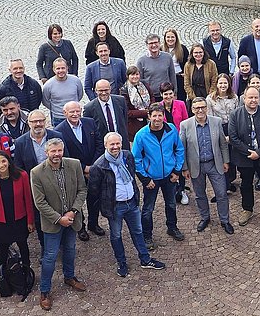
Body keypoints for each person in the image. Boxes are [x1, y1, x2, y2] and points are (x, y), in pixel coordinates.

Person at [89, 131, 164, 277]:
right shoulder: (98, 166)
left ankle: (145, 259)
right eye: (112, 144)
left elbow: (132, 175)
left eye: (118, 143)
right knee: (116, 235)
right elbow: (93, 192)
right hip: (115, 207)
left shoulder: (127, 156)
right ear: (105, 145)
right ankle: (121, 263)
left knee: (138, 231)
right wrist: (104, 210)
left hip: (131, 203)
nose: (116, 147)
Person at [29, 137, 87, 311]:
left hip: (71, 219)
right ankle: (45, 290)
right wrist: (58, 218)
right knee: (50, 256)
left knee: (70, 250)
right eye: (53, 151)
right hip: (53, 223)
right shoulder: (37, 172)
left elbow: (82, 190)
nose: (56, 154)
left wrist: (73, 212)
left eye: (59, 150)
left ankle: (69, 277)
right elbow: (39, 202)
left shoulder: (74, 164)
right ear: (46, 153)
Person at [0, 150, 35, 300]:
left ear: (9, 161)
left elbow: (28, 199)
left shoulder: (21, 175)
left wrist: (30, 221)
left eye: (3, 161)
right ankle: (4, 277)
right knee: (3, 251)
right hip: (0, 223)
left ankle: (26, 274)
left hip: (19, 220)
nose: (1, 165)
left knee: (23, 247)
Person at [131, 104, 185, 247]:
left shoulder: (171, 130)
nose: (157, 118)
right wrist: (145, 179)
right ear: (149, 116)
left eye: (160, 115)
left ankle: (172, 227)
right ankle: (147, 235)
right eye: (154, 115)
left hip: (169, 176)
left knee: (171, 204)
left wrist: (177, 171)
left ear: (163, 116)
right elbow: (136, 158)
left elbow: (179, 150)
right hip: (151, 178)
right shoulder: (141, 135)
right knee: (148, 209)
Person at [180, 97, 234, 233]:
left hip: (214, 164)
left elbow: (223, 144)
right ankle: (205, 217)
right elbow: (182, 148)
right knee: (199, 194)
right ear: (192, 110)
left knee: (221, 193)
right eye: (197, 108)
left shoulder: (216, 122)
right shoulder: (185, 125)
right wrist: (184, 167)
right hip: (196, 166)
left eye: (203, 107)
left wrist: (226, 161)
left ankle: (225, 220)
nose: (200, 110)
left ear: (207, 108)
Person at [229, 86, 260, 226]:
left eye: (256, 97)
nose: (253, 100)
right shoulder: (235, 115)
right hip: (244, 158)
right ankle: (247, 209)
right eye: (250, 97)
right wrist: (249, 152)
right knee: (246, 184)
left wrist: (259, 153)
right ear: (244, 98)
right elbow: (233, 137)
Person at [55, 101, 104, 237]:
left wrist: (93, 167)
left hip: (94, 169)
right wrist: (84, 168)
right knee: (77, 201)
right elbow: (65, 155)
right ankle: (80, 227)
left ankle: (93, 224)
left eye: (77, 111)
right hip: (75, 173)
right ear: (65, 113)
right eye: (72, 112)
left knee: (94, 198)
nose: (75, 114)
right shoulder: (59, 131)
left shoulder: (90, 123)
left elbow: (100, 144)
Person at [84, 80, 129, 157]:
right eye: (101, 90)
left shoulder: (121, 101)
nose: (104, 93)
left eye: (106, 90)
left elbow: (124, 120)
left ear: (110, 89)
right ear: (95, 91)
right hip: (102, 147)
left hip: (121, 144)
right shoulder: (89, 108)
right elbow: (89, 130)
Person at [41, 57, 85, 124]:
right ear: (54, 69)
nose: (61, 70)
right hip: (58, 118)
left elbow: (80, 95)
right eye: (58, 68)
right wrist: (56, 109)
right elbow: (45, 101)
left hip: (75, 115)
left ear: (67, 68)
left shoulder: (76, 80)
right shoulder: (48, 85)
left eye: (63, 68)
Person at [136, 35, 176, 103]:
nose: (154, 45)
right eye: (151, 43)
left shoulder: (167, 57)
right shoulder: (141, 61)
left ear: (159, 43)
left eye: (156, 42)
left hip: (166, 95)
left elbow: (172, 76)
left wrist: (174, 93)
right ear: (147, 45)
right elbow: (140, 81)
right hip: (151, 97)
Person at [124, 65, 154, 139]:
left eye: (137, 74)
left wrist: (152, 109)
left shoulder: (144, 84)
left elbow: (152, 96)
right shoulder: (124, 90)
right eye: (132, 74)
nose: (135, 77)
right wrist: (145, 112)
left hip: (149, 120)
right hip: (135, 124)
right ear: (128, 76)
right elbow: (127, 112)